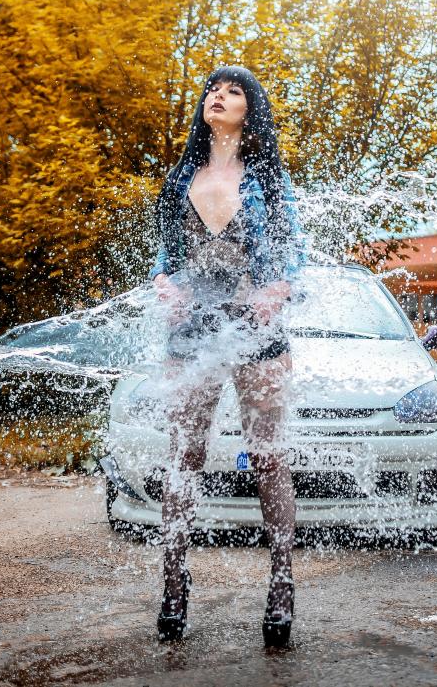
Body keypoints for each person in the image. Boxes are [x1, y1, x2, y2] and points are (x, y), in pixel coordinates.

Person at [148, 65, 304, 648]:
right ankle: (173, 586)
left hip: (254, 330)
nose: (219, 95)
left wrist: (279, 288)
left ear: (250, 109)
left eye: (234, 90)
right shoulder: (180, 177)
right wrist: (163, 284)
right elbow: (164, 257)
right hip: (193, 331)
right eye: (213, 89)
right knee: (183, 455)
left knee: (266, 458)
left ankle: (282, 589)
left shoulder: (266, 177)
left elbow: (293, 252)